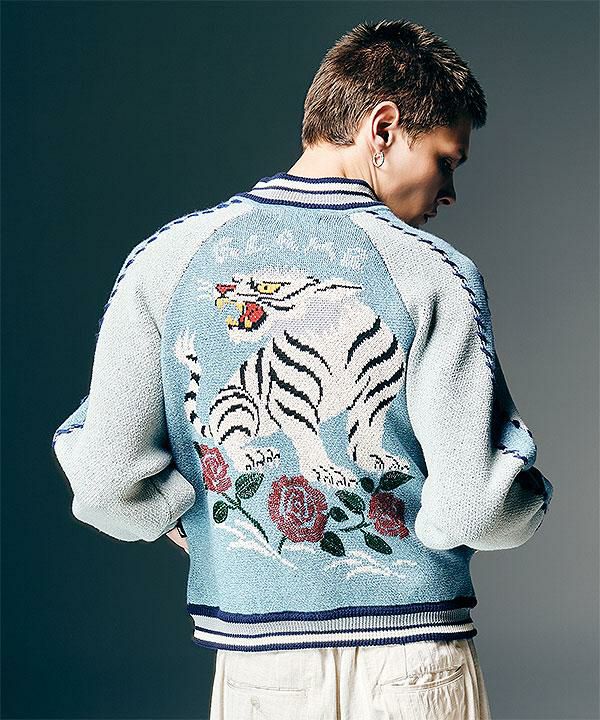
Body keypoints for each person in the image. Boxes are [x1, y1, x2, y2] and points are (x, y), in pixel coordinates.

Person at [51, 18, 554, 720]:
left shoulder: (166, 261)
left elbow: (106, 482)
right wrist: (531, 497)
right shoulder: (434, 273)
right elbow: (478, 506)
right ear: (383, 129)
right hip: (416, 659)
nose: (449, 193)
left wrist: (196, 519)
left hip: (260, 665)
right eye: (447, 161)